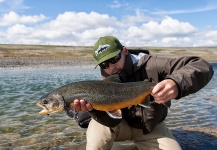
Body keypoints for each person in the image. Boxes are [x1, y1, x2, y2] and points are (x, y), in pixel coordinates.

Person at [72, 36, 213, 150]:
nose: (111, 67)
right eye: (104, 64)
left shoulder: (153, 64)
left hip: (151, 128)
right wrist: (95, 112)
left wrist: (176, 83)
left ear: (125, 51)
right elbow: (111, 120)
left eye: (114, 59)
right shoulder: (104, 81)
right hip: (120, 125)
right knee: (97, 128)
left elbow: (201, 65)